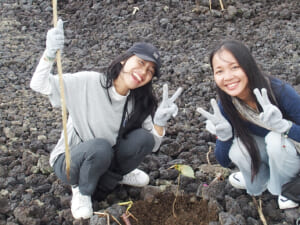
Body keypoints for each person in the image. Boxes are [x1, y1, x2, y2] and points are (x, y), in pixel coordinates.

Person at [30, 19, 183, 220]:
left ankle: (116, 174)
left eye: (150, 71)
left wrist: (160, 124)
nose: (143, 72)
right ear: (124, 60)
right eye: (140, 63)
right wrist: (49, 54)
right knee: (99, 148)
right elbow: (38, 85)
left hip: (105, 158)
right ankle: (82, 191)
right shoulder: (88, 82)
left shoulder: (139, 101)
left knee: (142, 139)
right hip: (70, 162)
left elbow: (151, 145)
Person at [197, 40, 300, 210]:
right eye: (219, 71)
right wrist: (224, 137)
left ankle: (282, 188)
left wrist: (285, 127)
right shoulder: (227, 104)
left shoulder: (279, 92)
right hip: (267, 153)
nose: (228, 77)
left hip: (291, 153)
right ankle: (259, 181)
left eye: (235, 67)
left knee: (275, 140)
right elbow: (223, 161)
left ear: (248, 66)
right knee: (238, 147)